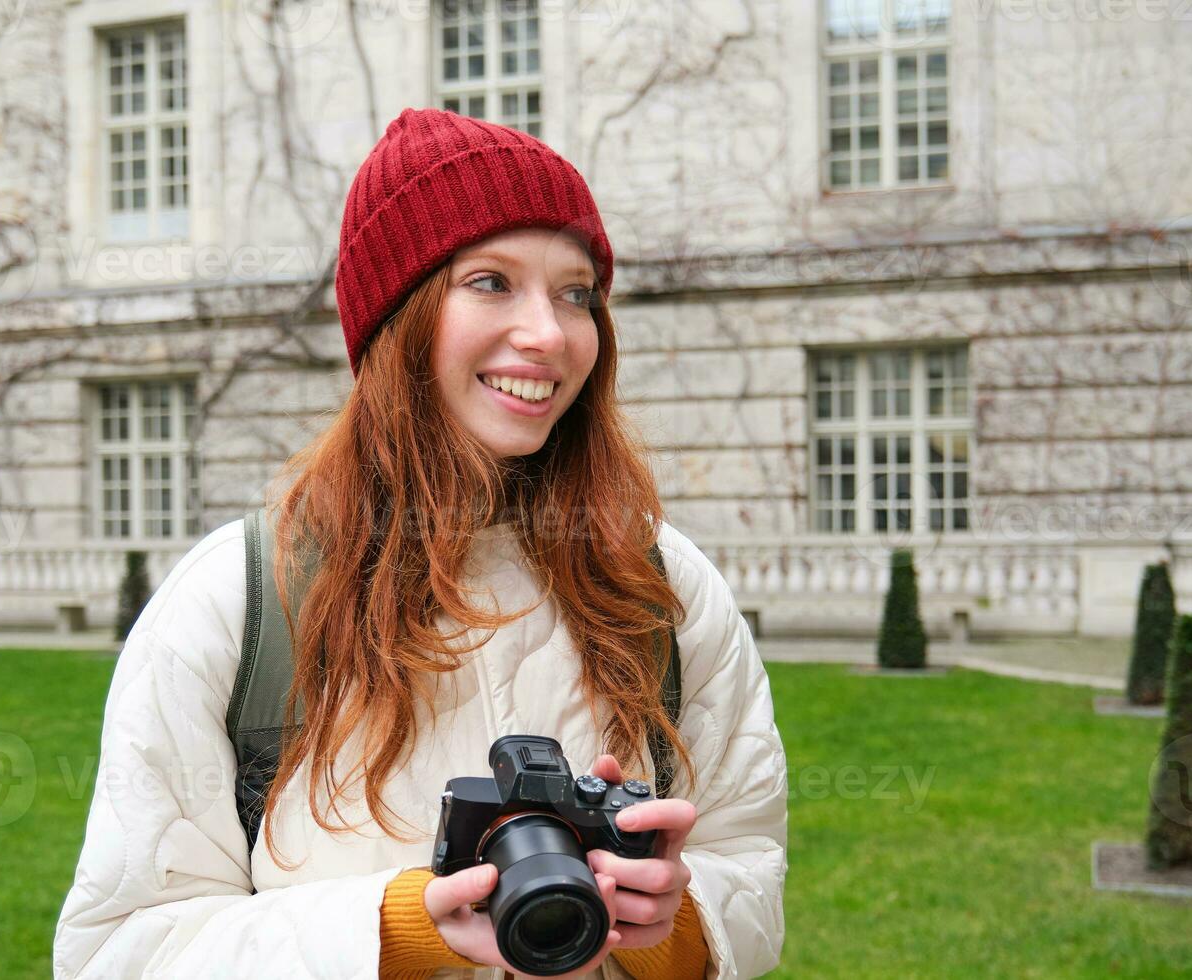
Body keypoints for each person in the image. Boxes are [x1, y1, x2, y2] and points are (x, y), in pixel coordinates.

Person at [53, 109, 788, 979]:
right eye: (490, 281)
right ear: (397, 319)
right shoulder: (240, 601)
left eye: (575, 291)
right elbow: (123, 949)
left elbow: (748, 869)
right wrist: (403, 926)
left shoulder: (661, 583)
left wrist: (670, 918)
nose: (549, 334)